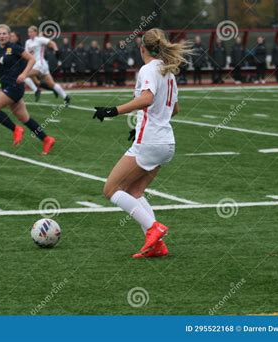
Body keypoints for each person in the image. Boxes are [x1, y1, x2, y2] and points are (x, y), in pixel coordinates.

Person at [92, 28, 189, 258]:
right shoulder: (169, 72)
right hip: (166, 142)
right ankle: (156, 245)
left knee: (111, 190)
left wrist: (113, 111)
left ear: (142, 48)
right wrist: (140, 124)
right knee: (135, 191)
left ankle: (154, 229)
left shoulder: (148, 69)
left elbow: (147, 99)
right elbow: (173, 110)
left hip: (151, 142)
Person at [0, 24, 55, 155]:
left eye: (4, 34)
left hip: (15, 86)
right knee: (25, 119)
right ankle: (47, 139)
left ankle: (16, 130)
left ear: (9, 35)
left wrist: (24, 74)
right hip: (6, 86)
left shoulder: (15, 48)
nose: (1, 36)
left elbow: (32, 59)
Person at [24, 26, 70, 105]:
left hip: (40, 64)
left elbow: (52, 43)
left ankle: (36, 91)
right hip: (36, 65)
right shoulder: (27, 42)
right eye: (29, 32)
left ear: (36, 32)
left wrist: (56, 51)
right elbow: (26, 54)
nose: (30, 33)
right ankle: (66, 97)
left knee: (23, 75)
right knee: (51, 84)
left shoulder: (39, 39)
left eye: (31, 31)